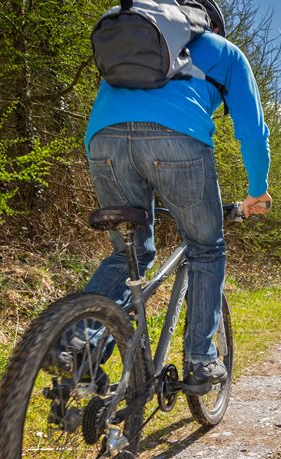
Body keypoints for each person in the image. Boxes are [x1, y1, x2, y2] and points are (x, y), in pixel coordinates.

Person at [82, 0, 271, 386]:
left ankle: (77, 343)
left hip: (103, 144)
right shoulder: (225, 52)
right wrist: (257, 190)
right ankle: (201, 359)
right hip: (178, 144)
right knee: (206, 247)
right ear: (212, 25)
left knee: (128, 253)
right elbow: (253, 133)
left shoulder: (135, 45)